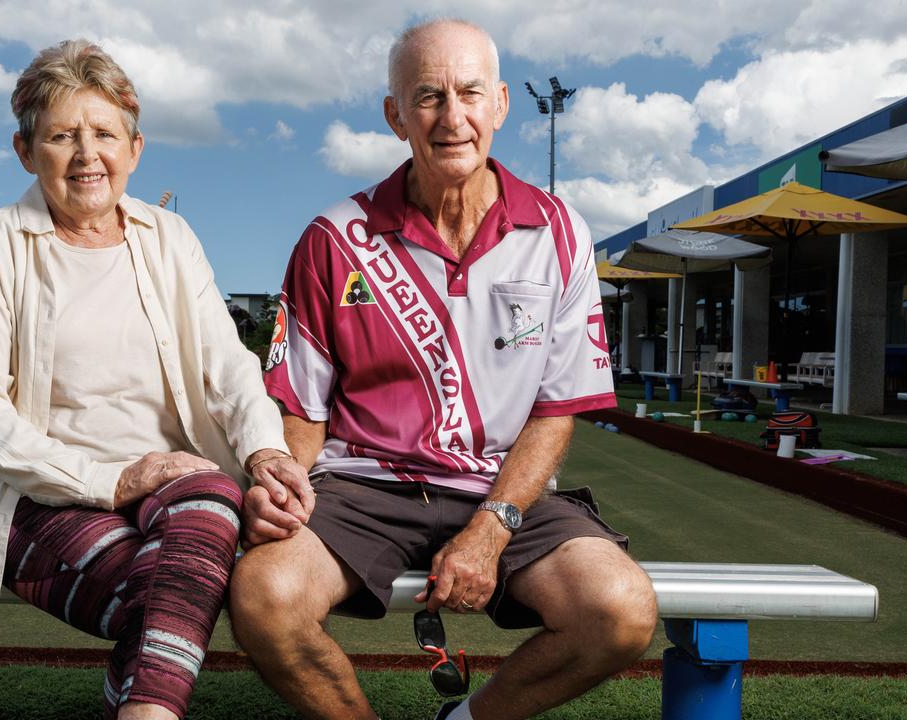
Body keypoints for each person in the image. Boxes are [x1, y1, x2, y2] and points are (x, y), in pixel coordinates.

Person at [231, 19, 658, 720]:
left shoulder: (558, 233)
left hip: (501, 487)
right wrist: (278, 484)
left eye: (469, 94)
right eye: (429, 97)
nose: (452, 118)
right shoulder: (334, 239)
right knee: (262, 595)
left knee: (620, 610)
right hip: (361, 486)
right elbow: (302, 414)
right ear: (395, 114)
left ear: (499, 104)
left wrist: (491, 527)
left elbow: (556, 412)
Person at [0, 39, 309, 720]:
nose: (85, 154)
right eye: (62, 135)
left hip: (181, 494)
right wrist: (116, 481)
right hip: (35, 501)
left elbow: (230, 367)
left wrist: (265, 452)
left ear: (134, 148)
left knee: (208, 506)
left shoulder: (171, 239)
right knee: (181, 587)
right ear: (25, 150)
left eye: (103, 133)